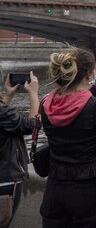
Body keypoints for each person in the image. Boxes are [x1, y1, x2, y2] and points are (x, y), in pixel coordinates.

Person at [39, 47, 96, 228]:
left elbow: (76, 103)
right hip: (92, 190)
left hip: (56, 187)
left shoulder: (46, 104)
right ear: (89, 74)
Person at [0, 72, 38, 228]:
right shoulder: (3, 113)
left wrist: (7, 97)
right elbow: (30, 125)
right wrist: (34, 94)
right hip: (5, 180)